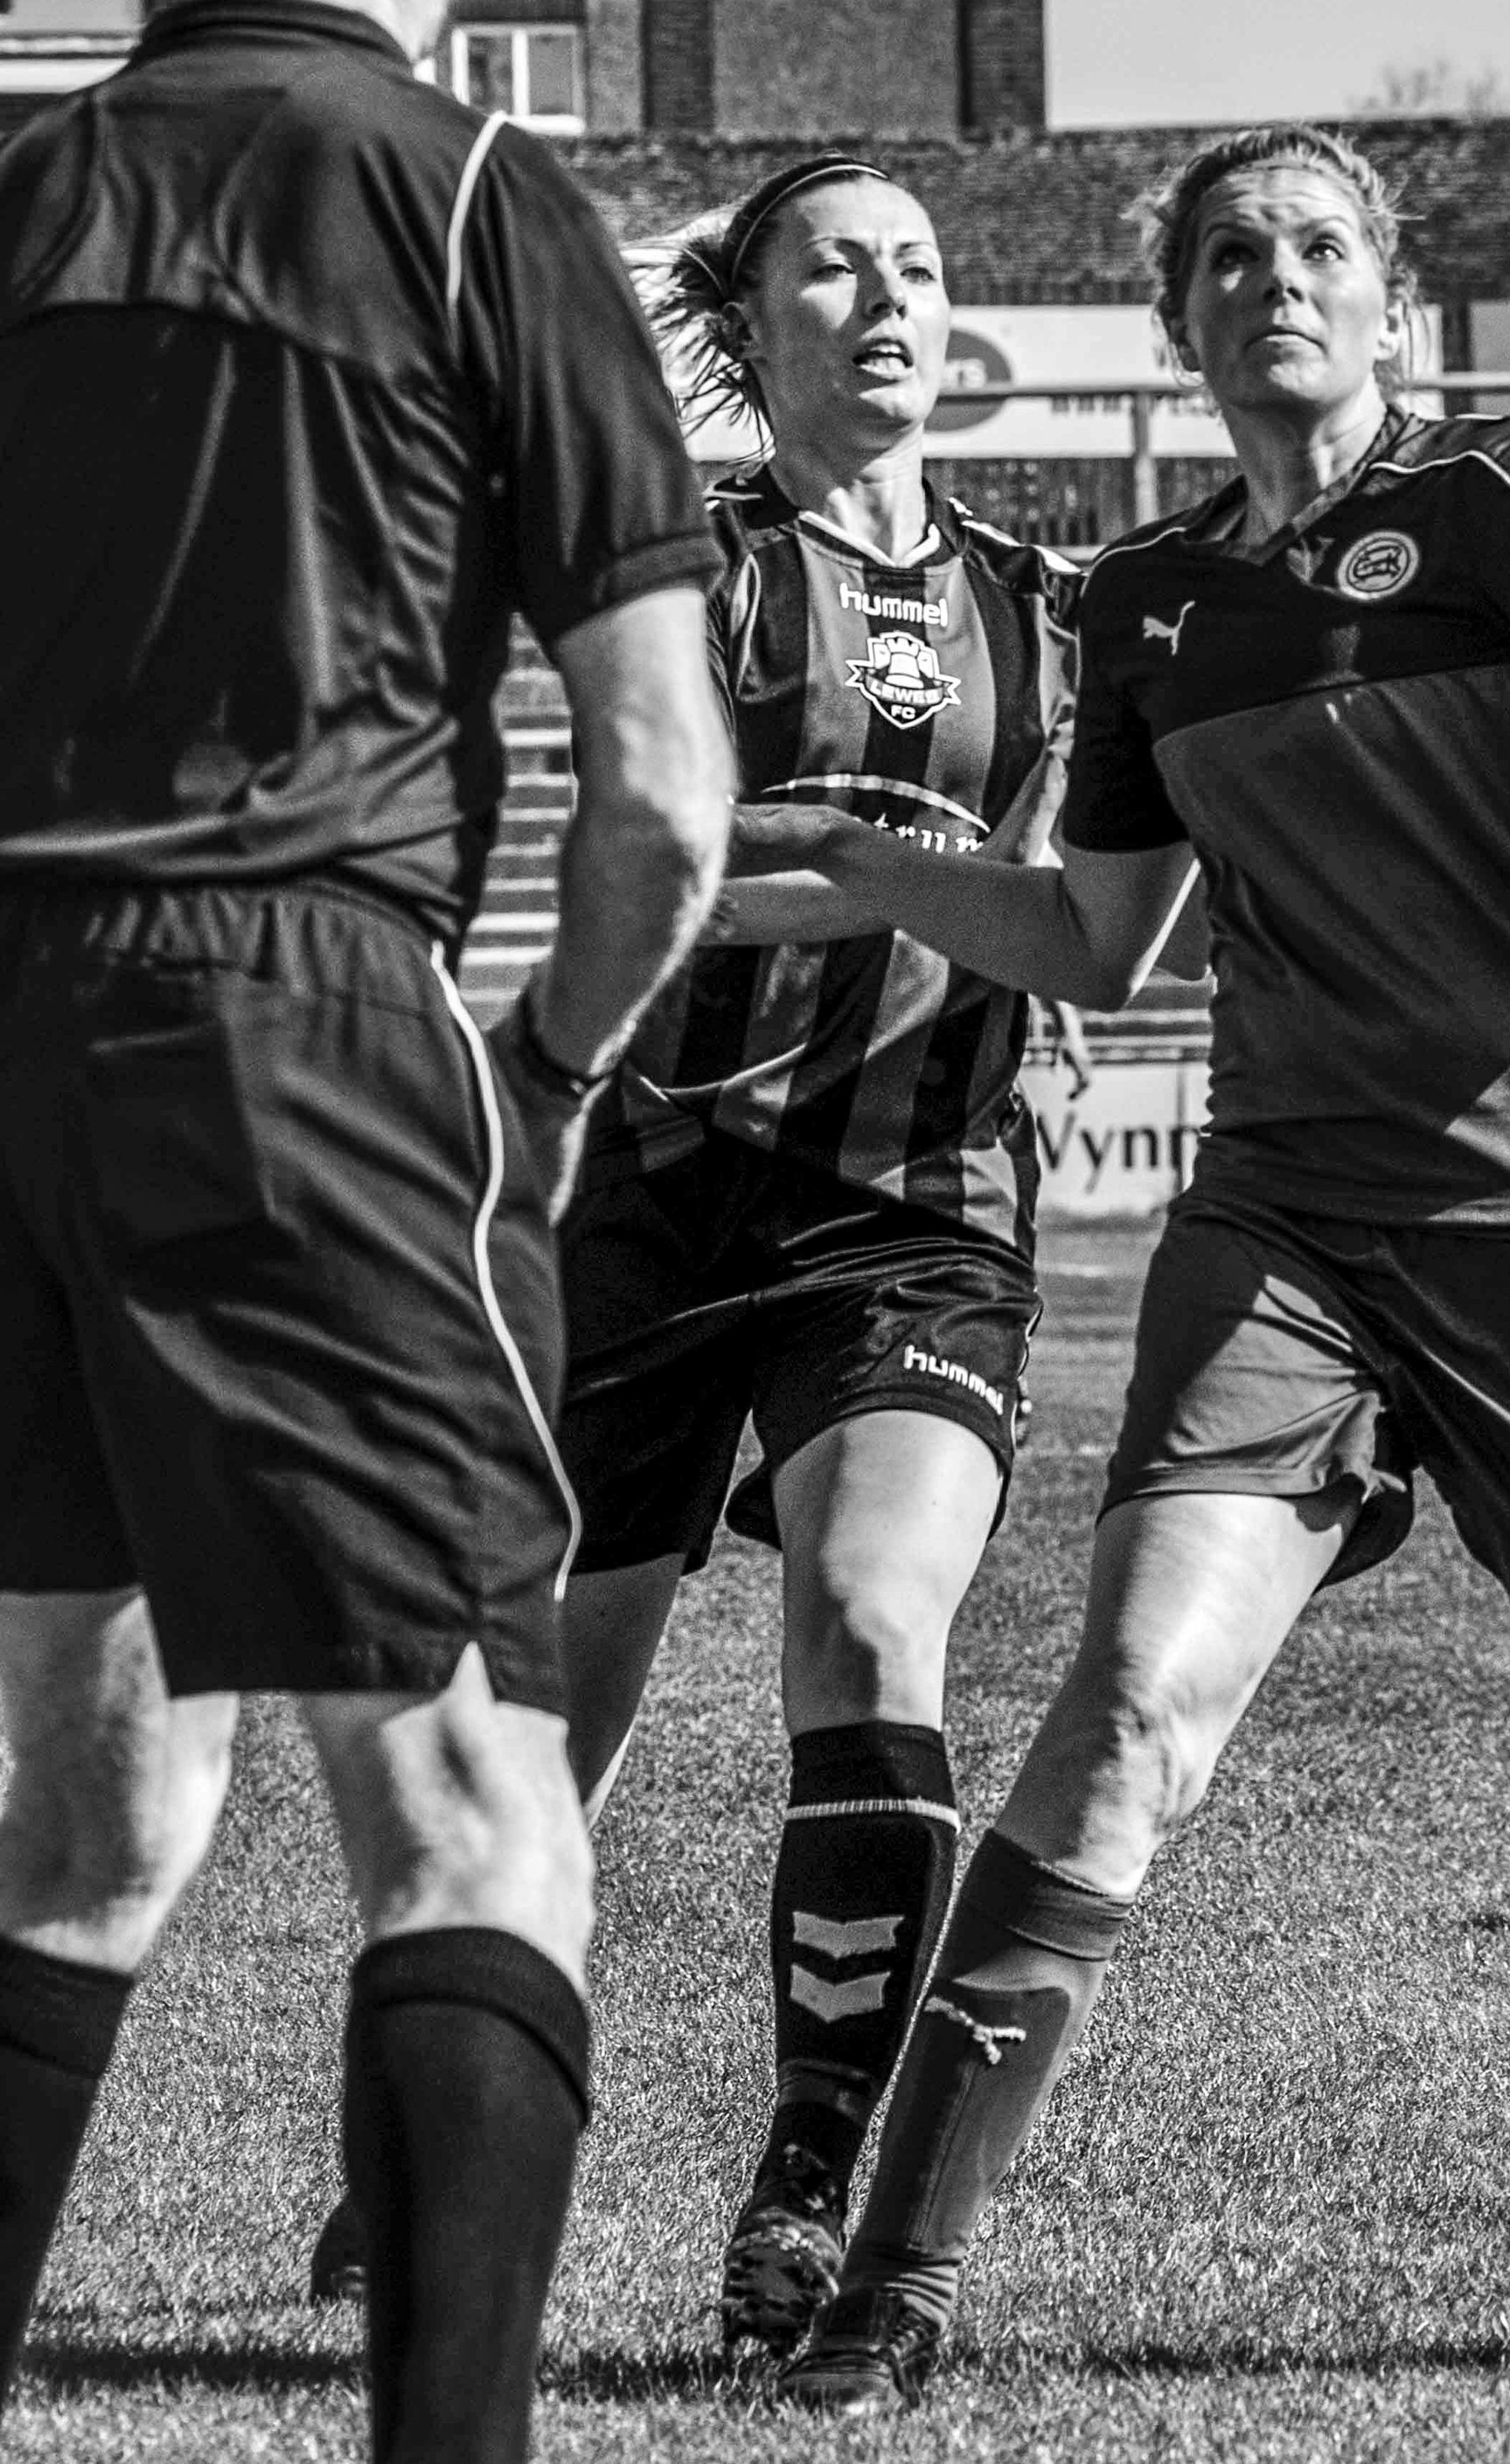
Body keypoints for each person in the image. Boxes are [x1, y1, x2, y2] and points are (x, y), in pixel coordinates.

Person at [721, 123, 1510, 2408]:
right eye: (1228, 254)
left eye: (1315, 243)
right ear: (1182, 315)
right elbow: (1098, 941)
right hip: (1288, 1227)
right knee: (1121, 1718)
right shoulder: (1151, 606)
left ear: (1384, 294)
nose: (1272, 277)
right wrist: (867, 861)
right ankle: (878, 2306)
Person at [0, 0, 729, 2461]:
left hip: (10, 1036)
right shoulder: (472, 204)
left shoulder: (22, 194)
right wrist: (536, 1073)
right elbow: (663, 791)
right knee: (469, 1804)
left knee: (79, 1818)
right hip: (292, 1013)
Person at [309, 156, 1079, 2357]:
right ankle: (438, 2128)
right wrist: (868, 862)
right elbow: (638, 842)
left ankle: (809, 2200)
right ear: (754, 316)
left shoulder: (1061, 607)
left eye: (920, 267)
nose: (889, 300)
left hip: (910, 1214)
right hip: (640, 1200)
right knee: (551, 1733)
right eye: (837, 265)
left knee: (867, 1618)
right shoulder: (703, 577)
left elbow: (1092, 915)